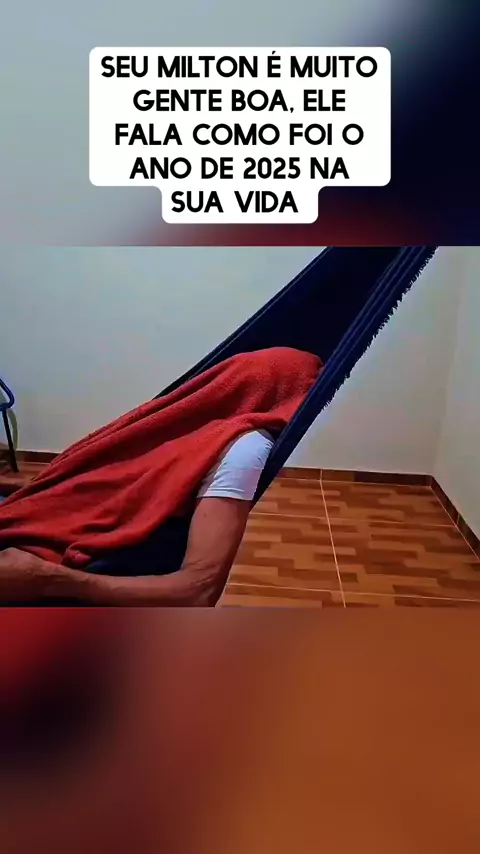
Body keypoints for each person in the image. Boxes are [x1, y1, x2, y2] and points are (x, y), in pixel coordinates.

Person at [0, 348, 322, 606]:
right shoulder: (179, 422)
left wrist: (48, 579)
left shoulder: (243, 450)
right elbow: (113, 484)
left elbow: (199, 590)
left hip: (47, 558)